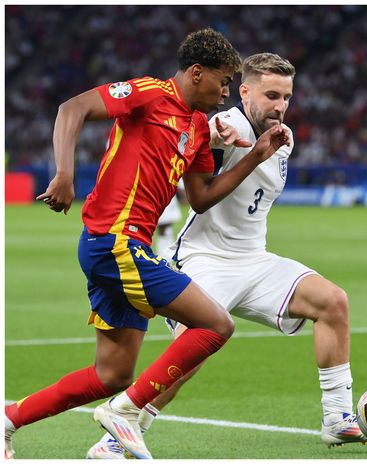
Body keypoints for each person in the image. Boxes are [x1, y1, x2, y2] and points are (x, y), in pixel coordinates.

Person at [5, 29, 290, 459]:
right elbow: (72, 108)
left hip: (129, 249)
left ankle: (8, 420)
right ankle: (127, 412)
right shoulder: (149, 93)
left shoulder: (195, 128)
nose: (227, 91)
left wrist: (255, 157)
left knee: (112, 373)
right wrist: (64, 173)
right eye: (223, 81)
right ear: (197, 73)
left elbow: (202, 197)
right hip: (113, 243)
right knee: (216, 324)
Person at [86, 52, 365, 459]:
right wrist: (215, 132)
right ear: (245, 91)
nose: (280, 106)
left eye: (286, 97)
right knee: (192, 352)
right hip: (205, 259)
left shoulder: (283, 136)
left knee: (333, 302)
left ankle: (338, 418)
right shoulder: (229, 123)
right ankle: (116, 436)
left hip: (254, 259)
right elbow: (210, 132)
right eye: (271, 95)